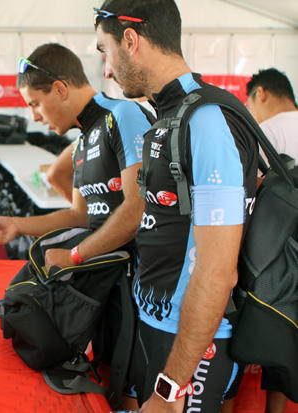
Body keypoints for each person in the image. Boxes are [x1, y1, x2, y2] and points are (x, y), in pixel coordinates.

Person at [94, 1, 259, 412]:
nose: (106, 70)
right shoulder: (171, 113)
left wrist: (171, 389)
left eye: (104, 51)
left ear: (130, 40)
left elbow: (218, 271)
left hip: (192, 343)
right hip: (155, 323)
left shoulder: (206, 119)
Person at [0, 43, 154, 275]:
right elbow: (80, 216)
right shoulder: (82, 141)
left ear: (60, 89)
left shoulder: (122, 115)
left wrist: (75, 255)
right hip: (111, 273)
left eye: (35, 104)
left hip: (144, 276)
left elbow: (138, 208)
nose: (34, 117)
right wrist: (16, 224)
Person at [245, 67, 298, 413]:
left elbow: (250, 187)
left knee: (278, 332)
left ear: (260, 93)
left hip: (279, 254)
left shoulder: (268, 132)